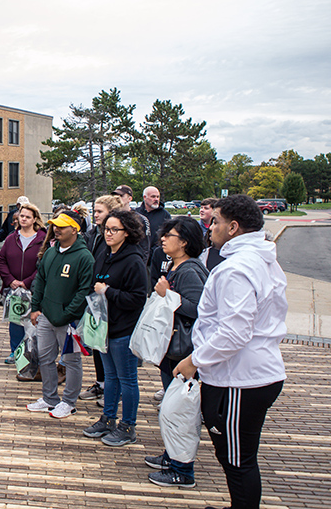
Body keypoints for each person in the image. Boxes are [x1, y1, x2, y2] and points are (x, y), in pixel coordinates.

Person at [174, 194, 287, 509]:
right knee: (237, 457)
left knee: (238, 461)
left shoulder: (236, 268)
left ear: (233, 227)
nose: (209, 228)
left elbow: (235, 331)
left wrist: (194, 360)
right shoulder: (262, 258)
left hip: (241, 377)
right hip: (254, 371)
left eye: (216, 222)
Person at [144, 216, 209, 488]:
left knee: (180, 412)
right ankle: (172, 457)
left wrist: (167, 294)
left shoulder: (189, 271)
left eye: (168, 235)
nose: (162, 239)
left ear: (184, 242)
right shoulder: (177, 266)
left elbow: (199, 309)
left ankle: (183, 470)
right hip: (173, 353)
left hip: (183, 355)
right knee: (171, 410)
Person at [82, 209, 147, 446]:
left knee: (127, 379)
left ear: (127, 232)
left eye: (114, 230)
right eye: (106, 229)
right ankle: (107, 419)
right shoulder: (104, 254)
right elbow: (93, 283)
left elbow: (138, 298)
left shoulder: (134, 260)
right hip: (103, 329)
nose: (108, 234)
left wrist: (108, 291)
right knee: (110, 377)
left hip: (124, 331)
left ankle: (128, 426)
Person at [26, 211, 94, 419]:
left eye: (62, 226)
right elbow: (41, 281)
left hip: (70, 321)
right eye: (55, 226)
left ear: (75, 229)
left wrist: (67, 314)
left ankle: (69, 402)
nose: (56, 229)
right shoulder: (50, 252)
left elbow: (84, 291)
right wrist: (36, 307)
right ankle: (49, 398)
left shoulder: (84, 257)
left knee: (71, 361)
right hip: (46, 315)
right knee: (45, 358)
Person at [79, 194, 122, 404]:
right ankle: (102, 383)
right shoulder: (92, 233)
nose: (95, 215)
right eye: (94, 211)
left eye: (99, 212)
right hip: (94, 295)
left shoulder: (118, 239)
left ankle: (114, 389)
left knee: (111, 347)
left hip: (110, 295)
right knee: (96, 341)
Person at [0, 202, 46, 363]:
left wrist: (28, 281)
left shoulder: (42, 239)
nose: (23, 219)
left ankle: (33, 353)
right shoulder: (12, 238)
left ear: (34, 219)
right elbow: (1, 260)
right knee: (16, 320)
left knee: (35, 321)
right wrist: (10, 280)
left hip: (34, 288)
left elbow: (44, 264)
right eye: (21, 216)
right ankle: (15, 352)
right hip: (14, 289)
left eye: (27, 217)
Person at [112, 185, 151, 264]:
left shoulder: (140, 219)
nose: (117, 198)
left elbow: (145, 248)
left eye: (121, 196)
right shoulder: (111, 218)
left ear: (129, 199)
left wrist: (140, 267)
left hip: (133, 263)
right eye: (115, 196)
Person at [136, 186, 171, 263]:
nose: (156, 199)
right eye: (153, 196)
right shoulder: (136, 214)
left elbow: (168, 236)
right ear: (145, 197)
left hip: (156, 258)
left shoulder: (165, 215)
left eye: (158, 197)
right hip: (138, 257)